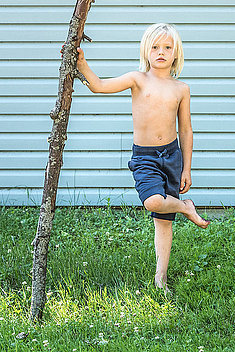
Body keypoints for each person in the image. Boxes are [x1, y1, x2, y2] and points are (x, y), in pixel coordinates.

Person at [63, 22, 210, 294]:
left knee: (163, 223)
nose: (161, 52)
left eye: (167, 47)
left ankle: (161, 279)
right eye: (155, 47)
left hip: (172, 156)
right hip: (145, 157)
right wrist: (81, 64)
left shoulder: (181, 89)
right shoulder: (137, 79)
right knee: (153, 202)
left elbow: (186, 129)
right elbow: (99, 86)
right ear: (146, 51)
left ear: (176, 53)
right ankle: (185, 206)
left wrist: (187, 167)